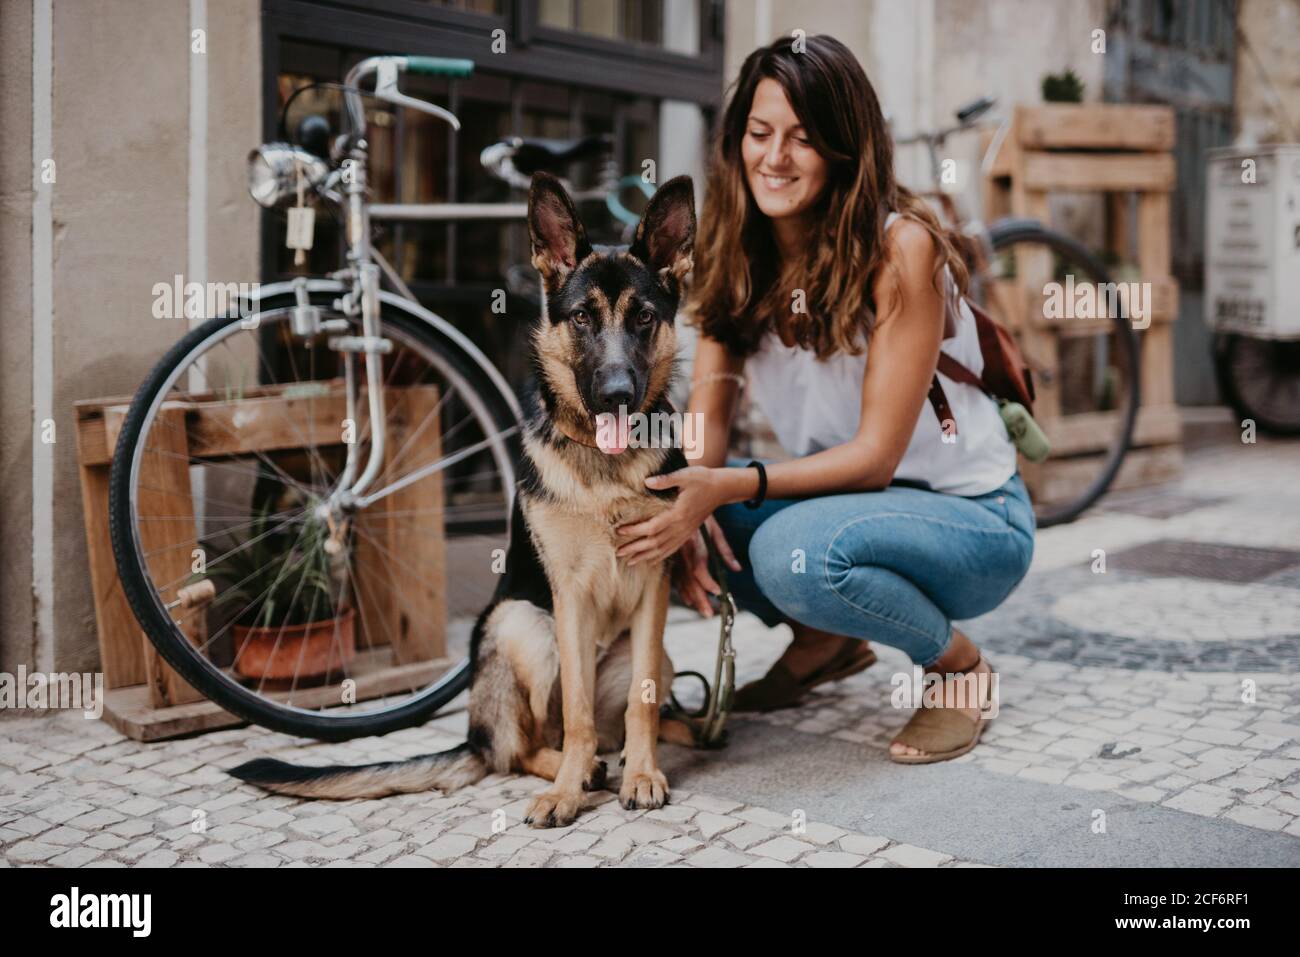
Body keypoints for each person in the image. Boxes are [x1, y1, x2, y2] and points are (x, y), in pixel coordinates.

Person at [614, 34, 1035, 764]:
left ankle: (959, 669)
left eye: (803, 139)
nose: (774, 158)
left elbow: (874, 461)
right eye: (759, 133)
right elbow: (706, 414)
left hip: (976, 521)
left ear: (844, 147)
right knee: (664, 523)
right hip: (856, 509)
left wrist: (724, 485)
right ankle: (826, 644)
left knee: (791, 551)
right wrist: (686, 493)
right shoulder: (736, 251)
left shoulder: (903, 247)